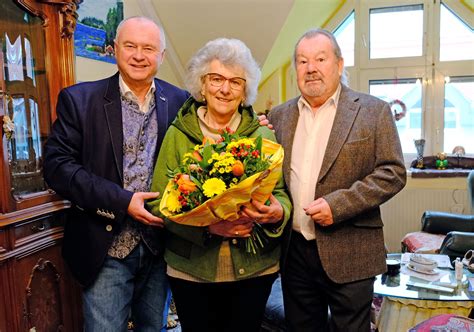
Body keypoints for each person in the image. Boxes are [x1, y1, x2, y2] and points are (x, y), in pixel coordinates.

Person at [43, 17, 189, 331]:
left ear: (161, 56)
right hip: (104, 247)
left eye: (149, 48)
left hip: (160, 247)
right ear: (114, 50)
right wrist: (122, 201)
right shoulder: (79, 99)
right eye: (130, 46)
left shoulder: (180, 102)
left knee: (154, 327)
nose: (139, 55)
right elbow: (57, 167)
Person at [148, 38, 292, 332]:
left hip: (255, 268)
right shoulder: (179, 133)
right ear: (202, 85)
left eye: (235, 82)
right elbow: (158, 202)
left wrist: (277, 213)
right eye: (216, 79)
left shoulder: (262, 136)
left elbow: (281, 196)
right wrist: (207, 228)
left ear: (245, 91)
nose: (224, 89)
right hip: (191, 270)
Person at [268, 28, 407, 331]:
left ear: (340, 65)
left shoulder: (374, 111)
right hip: (294, 255)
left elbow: (393, 172)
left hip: (351, 250)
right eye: (302, 61)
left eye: (320, 58)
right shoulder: (278, 117)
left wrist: (338, 205)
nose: (311, 68)